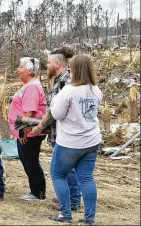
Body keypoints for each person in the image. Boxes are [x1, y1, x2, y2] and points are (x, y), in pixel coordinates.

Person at [45, 54, 102, 225]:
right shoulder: (96, 90)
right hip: (91, 140)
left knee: (58, 174)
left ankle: (65, 214)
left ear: (74, 69)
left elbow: (56, 114)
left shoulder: (68, 91)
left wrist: (54, 101)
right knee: (86, 178)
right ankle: (89, 219)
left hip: (70, 142)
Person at [29, 47, 82, 211]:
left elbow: (55, 111)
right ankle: (66, 196)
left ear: (57, 64)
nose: (47, 65)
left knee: (67, 169)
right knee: (66, 168)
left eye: (49, 62)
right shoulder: (60, 79)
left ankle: (72, 201)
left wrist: (40, 126)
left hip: (64, 133)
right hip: (58, 132)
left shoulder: (65, 82)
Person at [7, 57, 47, 201]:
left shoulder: (32, 87)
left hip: (29, 132)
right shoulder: (29, 85)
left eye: (20, 67)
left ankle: (38, 192)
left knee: (31, 161)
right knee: (27, 161)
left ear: (29, 70)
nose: (18, 70)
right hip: (24, 131)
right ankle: (34, 190)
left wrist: (23, 130)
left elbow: (29, 111)